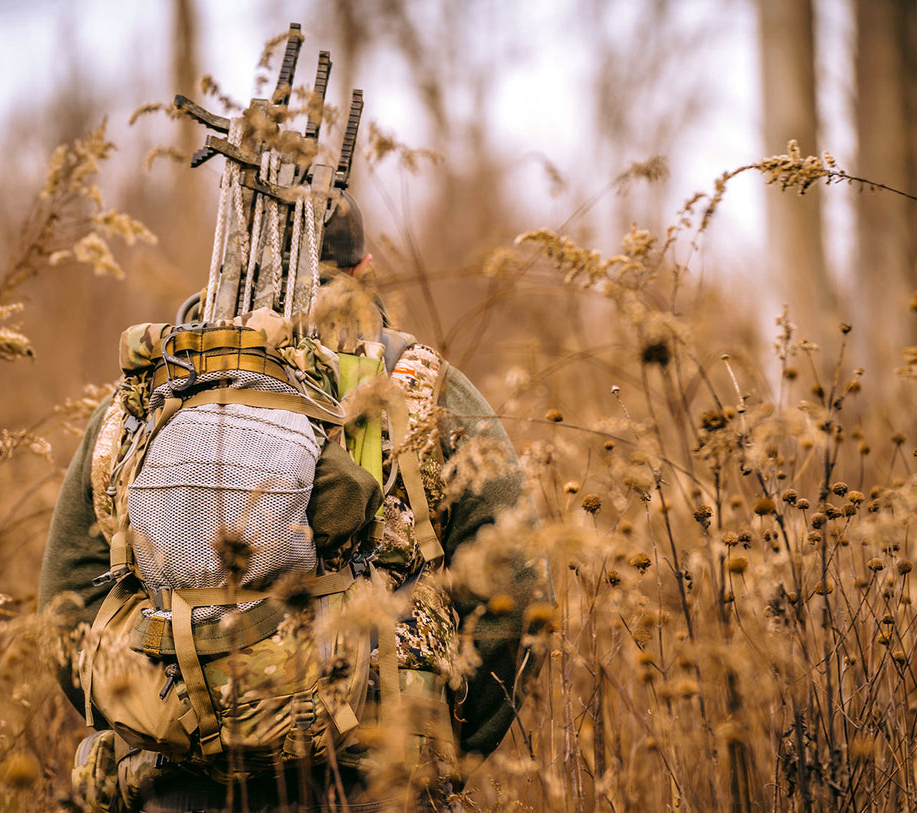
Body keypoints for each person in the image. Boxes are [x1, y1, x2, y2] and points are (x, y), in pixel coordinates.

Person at [39, 194, 547, 811]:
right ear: (364, 271)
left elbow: (65, 609)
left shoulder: (144, 399)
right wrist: (450, 749)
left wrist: (161, 719)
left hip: (175, 783)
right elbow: (517, 585)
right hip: (372, 783)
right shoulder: (422, 387)